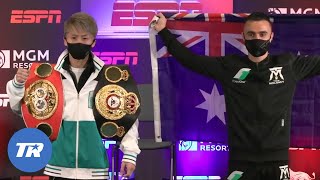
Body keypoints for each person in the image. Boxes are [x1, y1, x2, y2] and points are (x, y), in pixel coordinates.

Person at [153, 12, 320, 180]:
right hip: (241, 162)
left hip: (277, 162)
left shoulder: (288, 66)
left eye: (262, 34)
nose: (257, 39)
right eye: (251, 34)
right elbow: (190, 60)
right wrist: (163, 32)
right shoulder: (230, 67)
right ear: (243, 37)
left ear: (271, 37)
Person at [6, 12, 140, 179]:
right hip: (57, 166)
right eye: (74, 37)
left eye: (84, 38)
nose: (79, 42)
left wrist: (130, 154)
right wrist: (18, 84)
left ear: (93, 42)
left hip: (95, 168)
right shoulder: (48, 77)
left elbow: (126, 117)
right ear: (65, 40)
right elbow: (20, 108)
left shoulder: (108, 78)